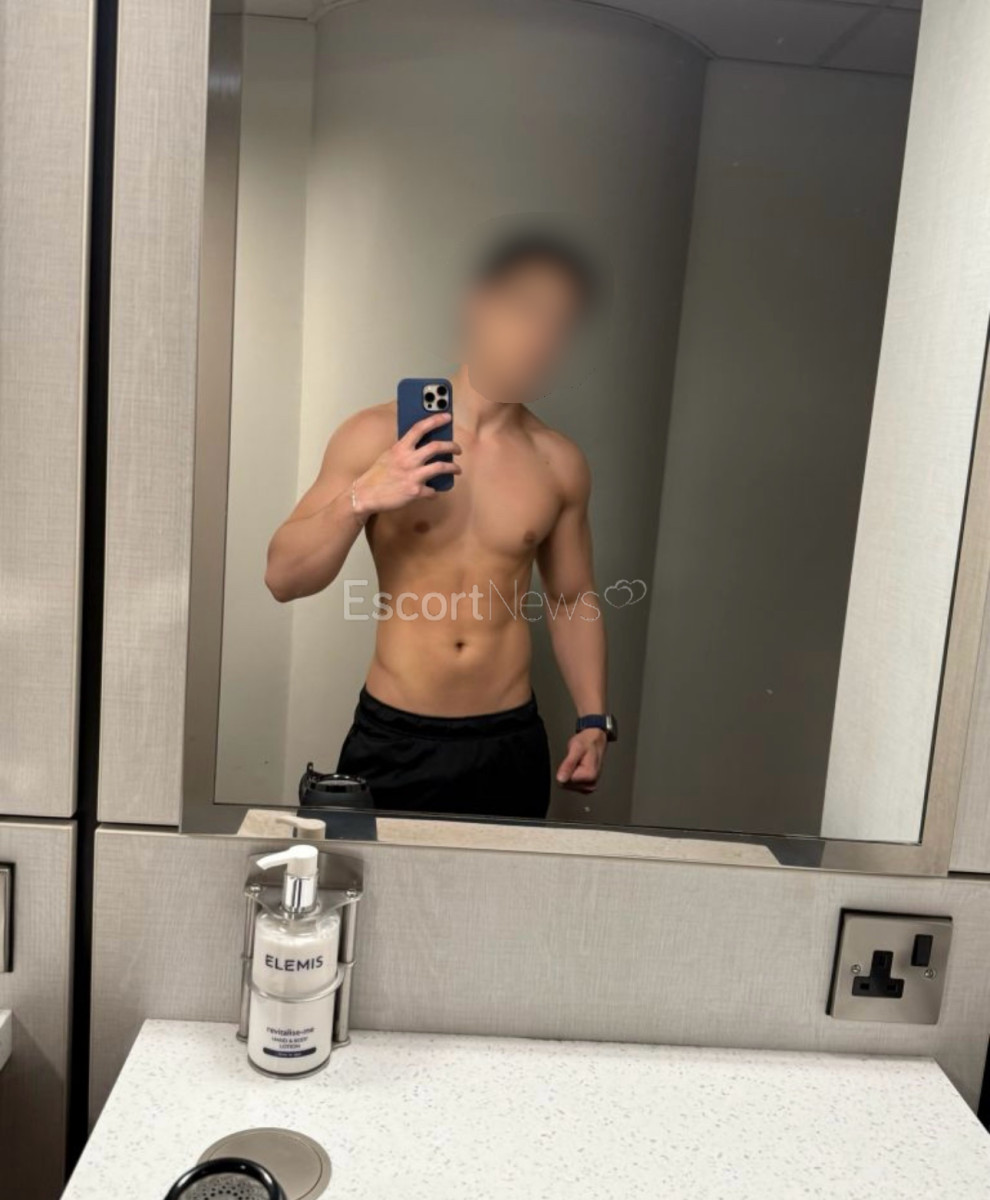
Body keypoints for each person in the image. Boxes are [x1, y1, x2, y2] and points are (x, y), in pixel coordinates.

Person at [264, 233, 616, 818]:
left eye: (560, 324)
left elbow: (572, 597)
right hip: (394, 738)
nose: (541, 337)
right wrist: (363, 496)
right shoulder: (376, 436)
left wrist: (593, 717)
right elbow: (283, 578)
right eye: (527, 310)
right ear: (478, 307)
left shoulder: (559, 463)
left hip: (509, 742)